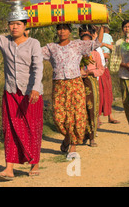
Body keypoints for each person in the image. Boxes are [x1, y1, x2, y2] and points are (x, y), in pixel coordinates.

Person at [0, 0, 44, 180]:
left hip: (31, 93)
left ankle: (35, 162)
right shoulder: (4, 41)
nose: (14, 27)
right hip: (11, 92)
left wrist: (35, 88)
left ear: (25, 26)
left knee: (33, 128)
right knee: (10, 129)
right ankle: (9, 168)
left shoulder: (34, 44)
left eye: (18, 24)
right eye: (11, 24)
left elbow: (38, 67)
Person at [42, 23, 104, 157]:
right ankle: (67, 138)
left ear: (70, 31)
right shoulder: (51, 47)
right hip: (59, 85)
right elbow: (34, 53)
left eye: (65, 29)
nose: (62, 32)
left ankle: (73, 146)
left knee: (75, 115)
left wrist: (102, 27)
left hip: (75, 83)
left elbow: (97, 44)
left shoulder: (78, 44)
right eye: (59, 29)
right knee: (59, 117)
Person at [79, 25, 118, 125]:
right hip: (89, 75)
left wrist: (101, 27)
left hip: (101, 71)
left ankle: (108, 115)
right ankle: (96, 118)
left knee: (106, 94)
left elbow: (99, 41)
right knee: (96, 96)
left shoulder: (96, 47)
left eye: (90, 33)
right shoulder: (82, 48)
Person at [79, 33, 105, 147]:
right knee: (81, 108)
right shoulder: (77, 54)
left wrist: (90, 72)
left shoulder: (95, 54)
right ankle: (82, 134)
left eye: (88, 42)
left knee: (92, 107)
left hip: (91, 81)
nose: (86, 45)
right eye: (83, 42)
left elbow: (101, 69)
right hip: (79, 81)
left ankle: (92, 136)